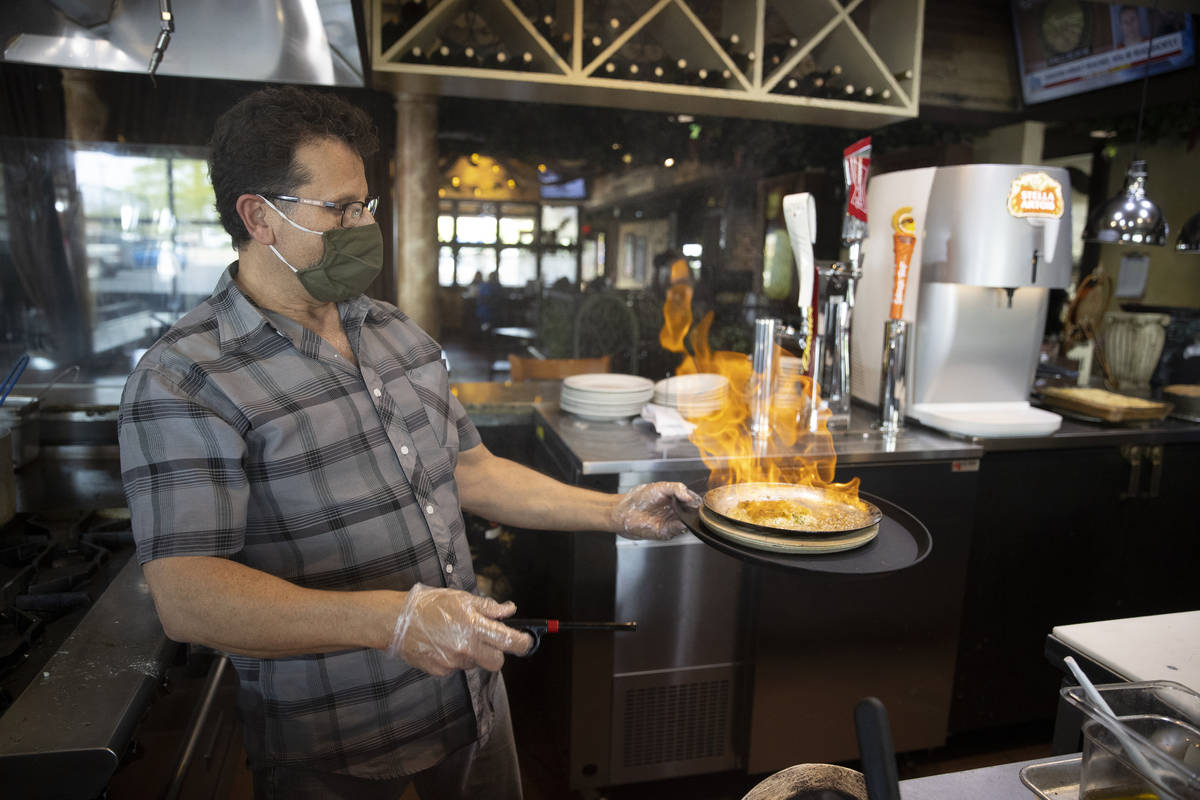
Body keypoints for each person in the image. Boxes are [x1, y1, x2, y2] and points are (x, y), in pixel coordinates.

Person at [117, 86, 699, 800]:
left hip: (473, 705)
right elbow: (189, 595)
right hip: (337, 746)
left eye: (366, 206)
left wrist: (611, 512)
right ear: (258, 216)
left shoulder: (395, 332)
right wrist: (393, 621)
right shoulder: (186, 377)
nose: (364, 225)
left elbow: (467, 471)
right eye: (340, 208)